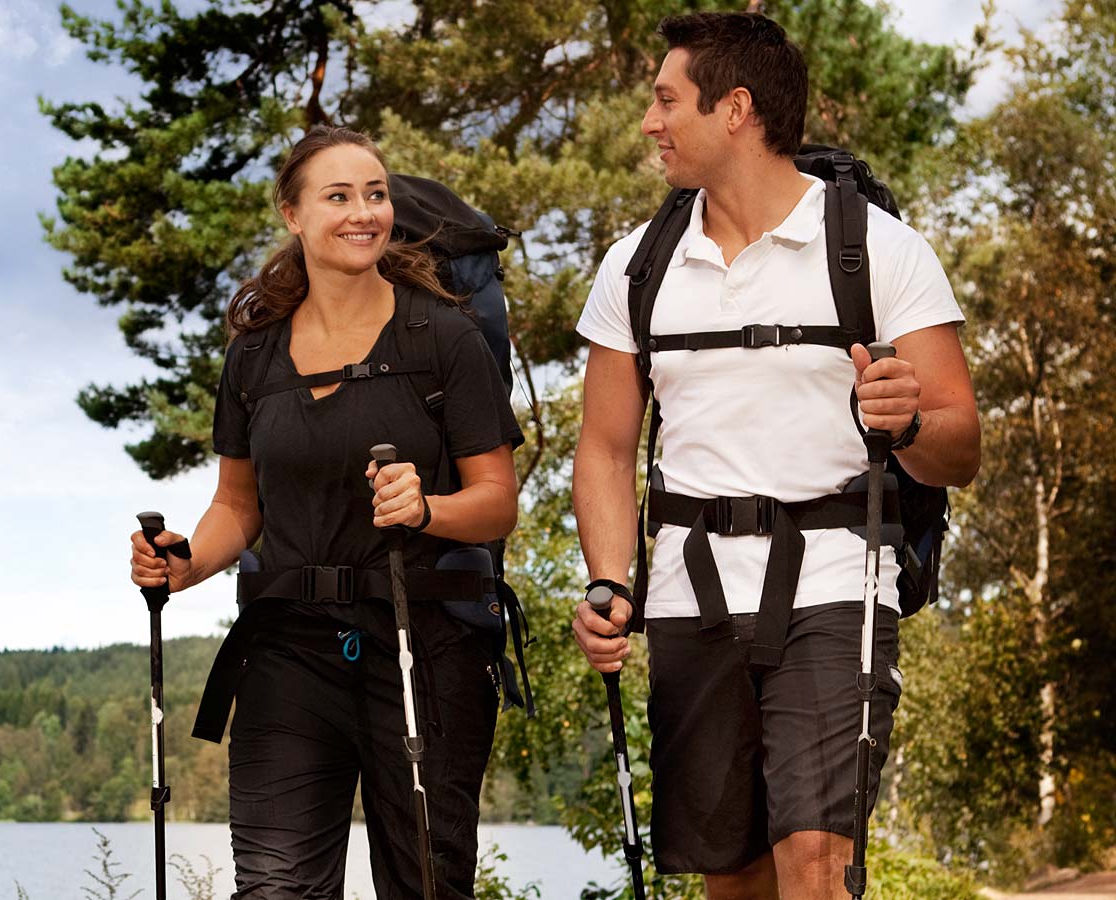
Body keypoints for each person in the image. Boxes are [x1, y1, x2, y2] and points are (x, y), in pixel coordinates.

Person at [569, 12, 981, 900]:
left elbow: (962, 446)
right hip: (691, 596)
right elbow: (604, 450)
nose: (650, 123)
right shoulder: (635, 268)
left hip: (837, 588)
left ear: (737, 110)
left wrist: (910, 423)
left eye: (666, 100)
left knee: (817, 865)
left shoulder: (877, 248)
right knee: (733, 877)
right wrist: (611, 581)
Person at [128, 124, 522, 900]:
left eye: (374, 194)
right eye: (338, 196)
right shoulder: (254, 354)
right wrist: (187, 563)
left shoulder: (444, 337)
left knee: (427, 886)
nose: (363, 212)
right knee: (275, 889)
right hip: (288, 652)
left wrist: (426, 509)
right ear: (292, 216)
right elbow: (237, 505)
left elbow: (497, 502)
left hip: (424, 649)